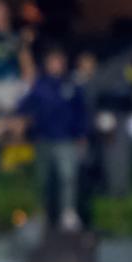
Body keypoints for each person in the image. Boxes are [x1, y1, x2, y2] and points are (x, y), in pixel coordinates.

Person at [17, 47, 88, 231]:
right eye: (53, 61)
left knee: (68, 178)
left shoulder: (72, 85)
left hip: (67, 140)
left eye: (59, 61)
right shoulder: (40, 86)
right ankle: (42, 214)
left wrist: (81, 135)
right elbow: (25, 107)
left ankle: (68, 212)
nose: (56, 65)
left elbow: (81, 112)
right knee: (43, 180)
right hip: (44, 139)